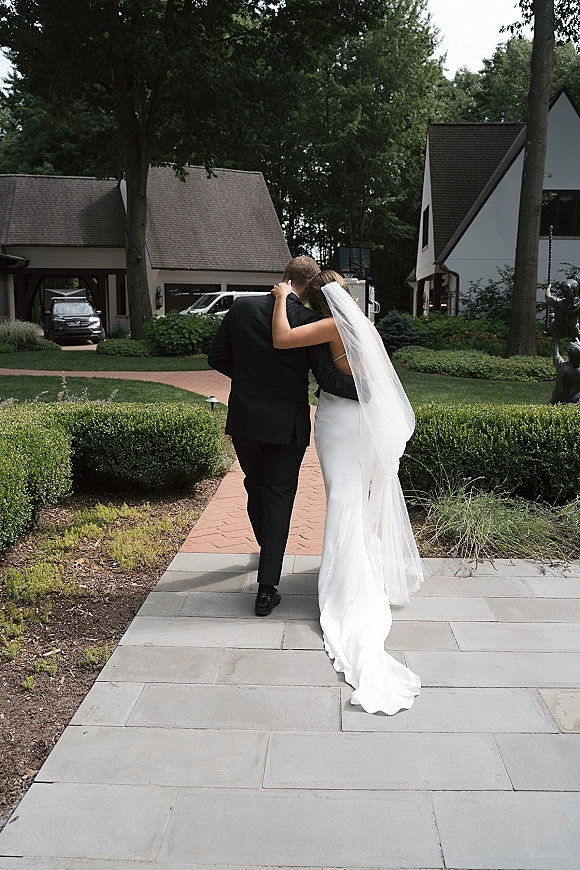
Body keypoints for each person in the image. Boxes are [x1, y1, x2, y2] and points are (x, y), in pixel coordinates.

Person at [271, 270, 423, 715]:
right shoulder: (363, 325)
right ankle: (351, 566)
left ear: (317, 299)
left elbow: (282, 338)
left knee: (341, 497)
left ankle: (342, 583)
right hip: (360, 420)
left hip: (340, 421)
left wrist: (281, 297)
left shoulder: (331, 324)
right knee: (351, 495)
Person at [207, 257, 358, 617]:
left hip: (245, 418)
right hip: (287, 424)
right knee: (279, 497)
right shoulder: (310, 321)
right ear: (311, 286)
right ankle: (266, 588)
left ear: (285, 278)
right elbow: (328, 379)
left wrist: (248, 378)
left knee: (254, 485)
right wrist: (371, 392)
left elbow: (216, 357)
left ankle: (267, 551)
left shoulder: (241, 308)